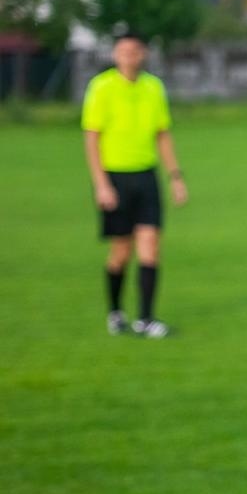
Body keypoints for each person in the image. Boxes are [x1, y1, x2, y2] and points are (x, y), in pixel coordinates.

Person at [81, 32, 187, 339]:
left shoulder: (154, 88)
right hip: (115, 177)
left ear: (143, 54)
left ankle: (146, 319)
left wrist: (175, 177)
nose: (130, 56)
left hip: (146, 175)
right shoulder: (101, 88)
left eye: (135, 51)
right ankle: (115, 311)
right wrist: (101, 184)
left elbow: (162, 134)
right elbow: (91, 138)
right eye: (124, 51)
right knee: (120, 252)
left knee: (151, 245)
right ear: (115, 55)